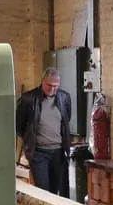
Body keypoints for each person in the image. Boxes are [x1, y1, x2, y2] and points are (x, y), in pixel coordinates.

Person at [14, 68, 72, 196]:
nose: (52, 89)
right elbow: (18, 124)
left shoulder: (64, 98)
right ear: (42, 82)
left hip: (58, 152)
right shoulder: (28, 99)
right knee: (43, 192)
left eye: (55, 86)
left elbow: (67, 120)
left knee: (55, 191)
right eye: (49, 85)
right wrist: (29, 140)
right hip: (39, 153)